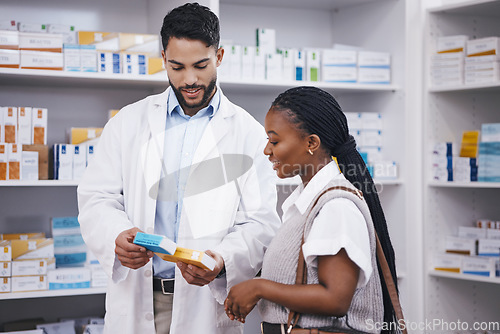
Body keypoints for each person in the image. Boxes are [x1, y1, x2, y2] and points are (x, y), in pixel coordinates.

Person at [77, 3, 280, 333]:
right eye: (177, 67)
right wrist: (116, 235)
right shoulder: (129, 121)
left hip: (205, 304)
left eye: (201, 65)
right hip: (138, 297)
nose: (189, 80)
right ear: (164, 59)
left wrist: (221, 258)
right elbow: (97, 197)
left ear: (220, 56)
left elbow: (261, 221)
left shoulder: (247, 131)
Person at [224, 86, 400, 334]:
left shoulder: (336, 207)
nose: (267, 150)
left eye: (274, 140)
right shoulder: (307, 203)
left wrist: (259, 288)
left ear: (311, 143)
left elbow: (335, 299)